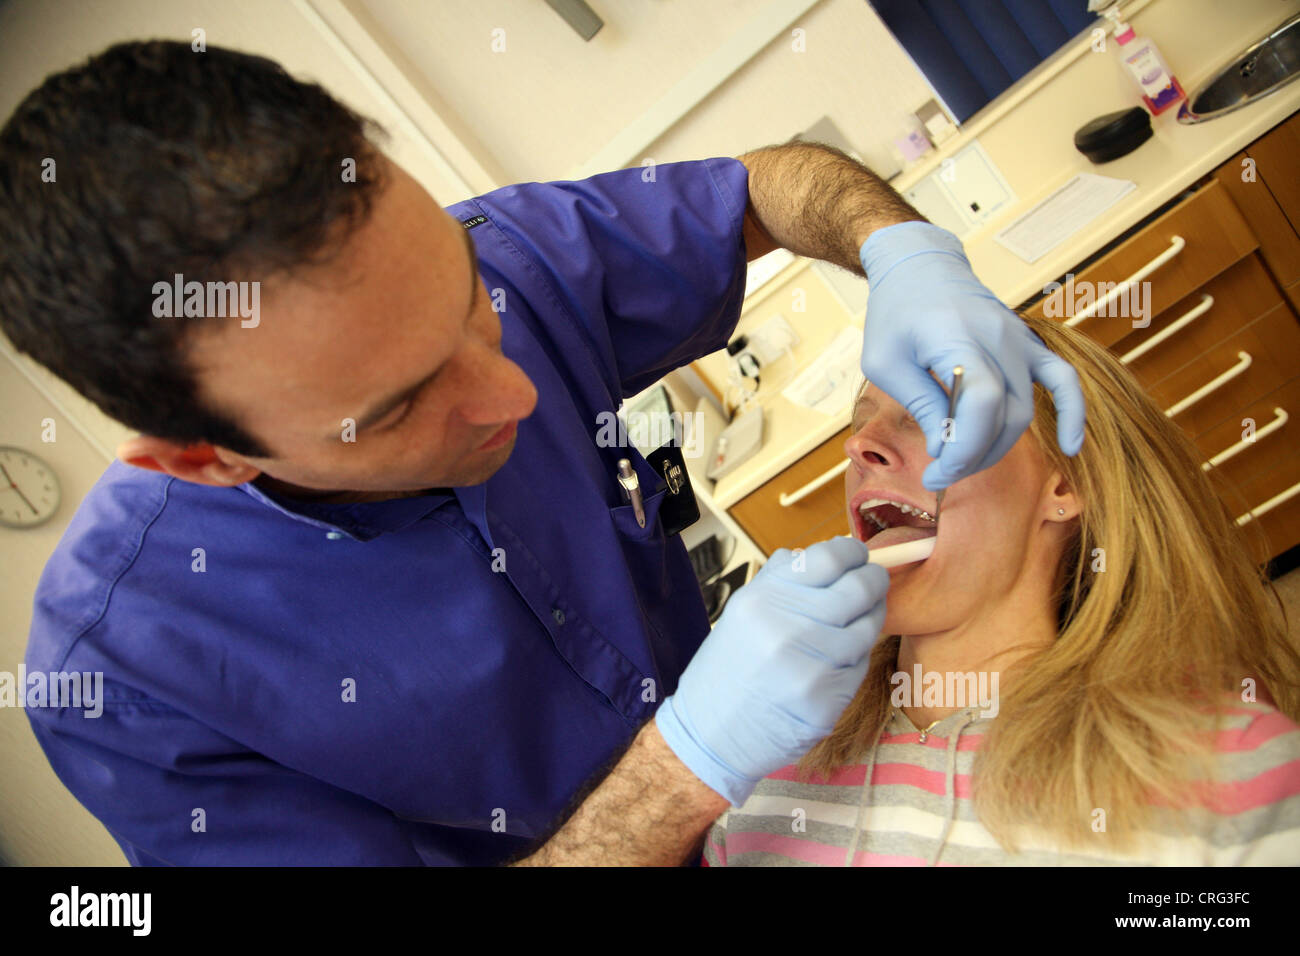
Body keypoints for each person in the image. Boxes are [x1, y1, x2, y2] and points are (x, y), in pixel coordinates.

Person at [2, 40, 1082, 865]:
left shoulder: (519, 252)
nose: (515, 388)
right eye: (400, 405)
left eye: (473, 303)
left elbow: (773, 184)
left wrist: (900, 250)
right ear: (205, 459)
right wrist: (685, 767)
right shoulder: (132, 679)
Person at [701, 315, 1300, 866]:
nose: (859, 446)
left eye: (936, 415)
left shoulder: (1223, 771)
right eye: (862, 422)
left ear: (1063, 485)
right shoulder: (763, 757)